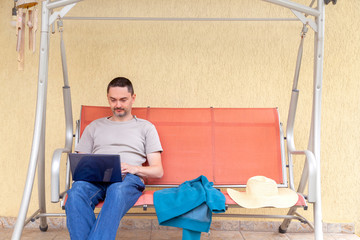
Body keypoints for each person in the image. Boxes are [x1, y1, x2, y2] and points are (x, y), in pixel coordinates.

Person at [65, 77, 163, 240]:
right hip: (95, 179)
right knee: (75, 193)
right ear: (108, 99)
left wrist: (134, 168)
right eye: (113, 100)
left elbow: (158, 171)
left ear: (133, 98)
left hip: (127, 179)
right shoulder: (94, 127)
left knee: (116, 191)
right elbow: (81, 162)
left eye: (123, 100)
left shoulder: (146, 127)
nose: (118, 105)